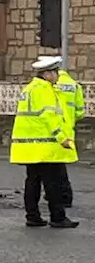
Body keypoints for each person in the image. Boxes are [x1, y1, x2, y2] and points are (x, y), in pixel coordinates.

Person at [10, 56, 78, 228]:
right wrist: (61, 138)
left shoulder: (29, 89)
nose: (57, 76)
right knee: (52, 183)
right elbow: (49, 117)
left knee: (32, 181)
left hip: (28, 146)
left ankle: (32, 216)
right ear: (47, 74)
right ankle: (58, 217)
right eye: (54, 72)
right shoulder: (45, 90)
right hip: (44, 145)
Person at [56, 63, 85, 208]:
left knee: (52, 167)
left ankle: (60, 196)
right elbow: (80, 112)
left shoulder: (51, 85)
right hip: (68, 129)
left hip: (53, 129)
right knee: (59, 166)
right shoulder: (74, 85)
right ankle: (64, 196)